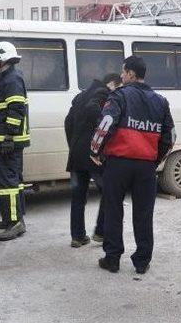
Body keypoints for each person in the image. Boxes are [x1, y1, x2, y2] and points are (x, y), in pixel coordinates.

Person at [91, 56, 175, 274]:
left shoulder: (118, 96)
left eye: (123, 72)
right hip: (146, 166)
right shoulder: (161, 101)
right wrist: (154, 159)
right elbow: (170, 136)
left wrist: (95, 151)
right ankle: (142, 261)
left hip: (118, 164)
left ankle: (112, 259)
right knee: (144, 214)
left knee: (113, 210)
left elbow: (106, 124)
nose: (121, 76)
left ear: (129, 73)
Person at [65, 73, 122, 248]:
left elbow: (68, 123)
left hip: (76, 156)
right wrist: (102, 129)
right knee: (109, 192)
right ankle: (100, 231)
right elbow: (94, 110)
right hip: (93, 155)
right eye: (118, 88)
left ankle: (78, 236)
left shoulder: (80, 96)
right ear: (112, 84)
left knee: (78, 197)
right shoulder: (103, 94)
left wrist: (73, 145)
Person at [0, 41, 30, 241]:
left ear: (2, 59)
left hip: (8, 140)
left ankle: (15, 223)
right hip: (7, 139)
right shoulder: (7, 77)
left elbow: (16, 110)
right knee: (14, 181)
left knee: (9, 183)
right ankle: (12, 217)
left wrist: (8, 137)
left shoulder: (11, 80)